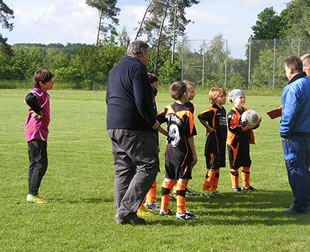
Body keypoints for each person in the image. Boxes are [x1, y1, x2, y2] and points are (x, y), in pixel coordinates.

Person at [106, 40, 160, 225]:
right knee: (149, 165)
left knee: (123, 169)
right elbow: (142, 100)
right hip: (134, 127)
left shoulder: (115, 69)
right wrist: (152, 122)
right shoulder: (138, 69)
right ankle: (126, 210)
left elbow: (108, 97)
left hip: (113, 124)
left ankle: (121, 213)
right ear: (143, 53)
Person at [157, 81, 198, 220]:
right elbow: (189, 135)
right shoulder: (187, 112)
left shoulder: (168, 108)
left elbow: (155, 121)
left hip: (170, 150)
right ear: (185, 94)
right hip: (182, 152)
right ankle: (180, 212)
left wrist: (165, 134)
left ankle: (164, 208)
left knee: (168, 178)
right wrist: (193, 154)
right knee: (182, 181)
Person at [280, 56, 310, 214]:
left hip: (296, 136)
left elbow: (290, 114)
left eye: (286, 70)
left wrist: (284, 132)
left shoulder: (293, 87)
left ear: (291, 69)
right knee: (305, 169)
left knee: (296, 170)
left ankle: (300, 206)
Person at [24, 69, 53, 204]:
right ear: (41, 83)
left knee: (41, 163)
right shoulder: (38, 93)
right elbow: (28, 98)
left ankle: (32, 192)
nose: (52, 83)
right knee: (38, 163)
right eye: (49, 81)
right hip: (36, 132)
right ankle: (32, 194)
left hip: (39, 132)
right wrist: (39, 111)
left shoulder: (44, 94)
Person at [226, 89, 261, 193]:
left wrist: (256, 123)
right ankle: (235, 186)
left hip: (244, 141)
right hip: (234, 142)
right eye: (240, 97)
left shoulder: (247, 111)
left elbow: (251, 127)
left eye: (243, 97)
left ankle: (246, 185)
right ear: (233, 100)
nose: (242, 99)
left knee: (246, 162)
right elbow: (232, 128)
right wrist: (245, 128)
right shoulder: (231, 113)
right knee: (235, 164)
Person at [198, 88, 227, 198]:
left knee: (218, 166)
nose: (223, 98)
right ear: (214, 98)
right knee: (212, 166)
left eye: (224, 96)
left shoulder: (223, 109)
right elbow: (200, 116)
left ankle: (213, 189)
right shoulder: (212, 110)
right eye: (221, 96)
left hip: (221, 142)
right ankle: (205, 190)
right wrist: (208, 127)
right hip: (213, 143)